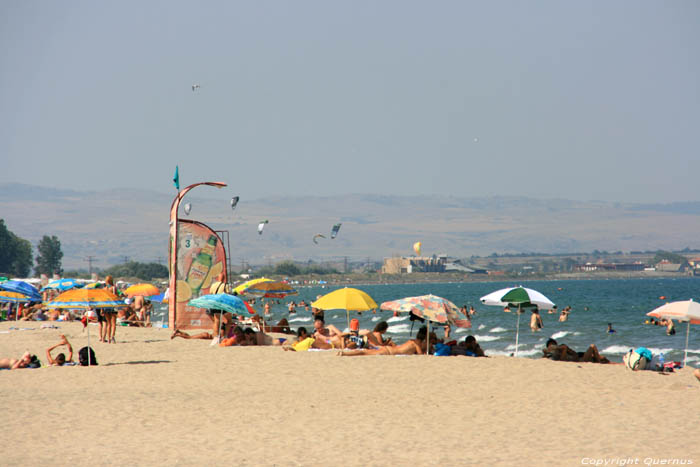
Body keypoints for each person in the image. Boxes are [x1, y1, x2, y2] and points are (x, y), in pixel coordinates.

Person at [339, 326, 429, 356]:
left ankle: (345, 353)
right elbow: (420, 355)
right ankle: (345, 354)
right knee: (365, 353)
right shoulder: (417, 343)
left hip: (388, 349)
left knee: (365, 352)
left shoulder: (412, 340)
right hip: (388, 351)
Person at [542, 338, 609, 363]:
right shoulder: (555, 354)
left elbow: (575, 354)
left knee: (601, 356)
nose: (552, 347)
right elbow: (563, 360)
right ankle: (598, 362)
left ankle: (599, 360)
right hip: (581, 360)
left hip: (580, 357)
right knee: (592, 346)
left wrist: (564, 349)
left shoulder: (561, 348)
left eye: (553, 345)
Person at [103, 276, 119, 343]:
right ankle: (112, 337)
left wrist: (101, 309)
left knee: (108, 323)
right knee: (113, 323)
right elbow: (116, 296)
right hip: (113, 306)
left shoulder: (104, 289)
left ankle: (108, 338)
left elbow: (103, 299)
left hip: (106, 306)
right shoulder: (113, 288)